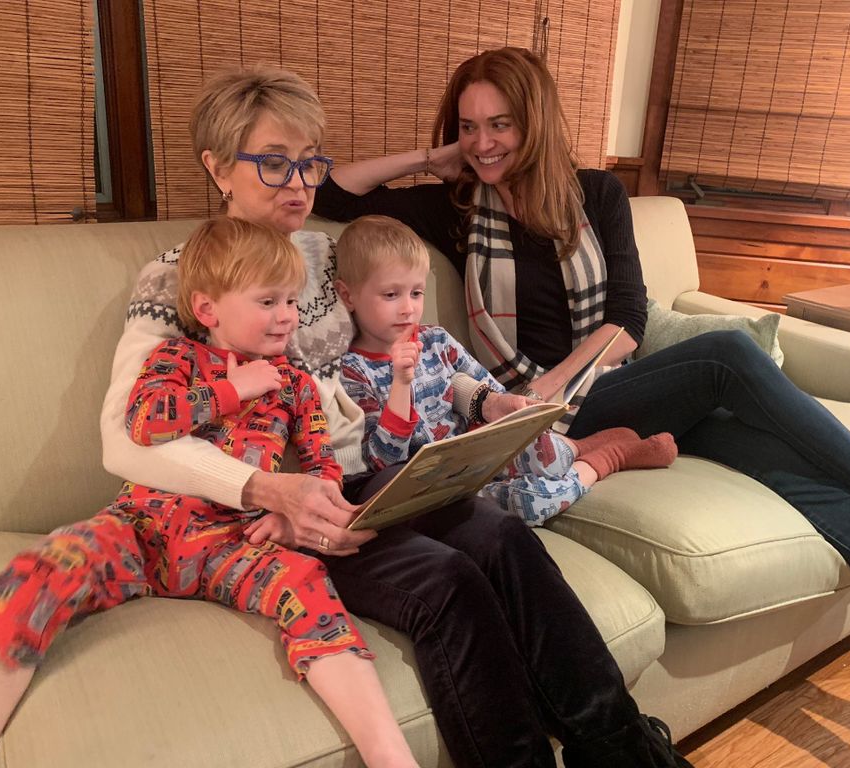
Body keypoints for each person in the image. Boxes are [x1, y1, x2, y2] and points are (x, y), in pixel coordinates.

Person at [56, 66, 690, 767]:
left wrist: (484, 401)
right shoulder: (178, 277)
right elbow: (124, 436)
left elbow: (400, 348)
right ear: (217, 168)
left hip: (375, 479)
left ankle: (625, 752)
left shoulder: (330, 254)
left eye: (308, 163)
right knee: (447, 586)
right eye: (273, 164)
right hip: (271, 511)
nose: (299, 184)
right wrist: (268, 489)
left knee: (508, 542)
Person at [312, 46, 850, 640]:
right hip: (549, 418)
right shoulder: (457, 208)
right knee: (726, 354)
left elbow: (629, 318)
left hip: (602, 387)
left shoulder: (599, 194)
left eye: (499, 124)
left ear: (535, 123)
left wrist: (552, 382)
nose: (482, 143)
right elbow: (330, 190)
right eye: (469, 127)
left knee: (794, 472)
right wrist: (430, 157)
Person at [0, 217, 419, 768]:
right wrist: (231, 388)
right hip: (140, 530)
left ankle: (391, 757)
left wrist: (301, 520)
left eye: (291, 300)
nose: (287, 315)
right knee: (40, 570)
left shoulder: (296, 384)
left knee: (308, 585)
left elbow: (321, 465)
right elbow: (145, 423)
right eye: (268, 301)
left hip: (234, 544)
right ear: (208, 309)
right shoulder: (175, 359)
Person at [335, 214, 677, 526]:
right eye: (391, 294)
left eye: (417, 292)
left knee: (545, 453)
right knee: (533, 503)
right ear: (348, 296)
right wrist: (400, 384)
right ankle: (606, 458)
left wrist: (509, 412)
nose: (408, 309)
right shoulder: (352, 372)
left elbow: (490, 393)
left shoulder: (436, 339)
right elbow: (382, 462)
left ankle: (577, 446)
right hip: (440, 490)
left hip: (479, 453)